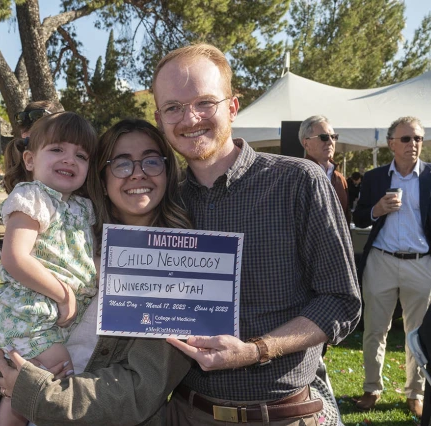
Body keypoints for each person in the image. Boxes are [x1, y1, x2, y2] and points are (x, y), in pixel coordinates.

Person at [152, 44, 360, 426]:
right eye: (173, 107)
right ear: (159, 118)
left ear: (232, 108)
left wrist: (255, 350)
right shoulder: (162, 201)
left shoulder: (298, 182)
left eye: (204, 102)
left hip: (282, 414)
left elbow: (341, 301)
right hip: (185, 412)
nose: (190, 118)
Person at [0, 118, 192, 425]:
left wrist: (36, 391)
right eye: (121, 163)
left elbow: (141, 390)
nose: (138, 173)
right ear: (102, 177)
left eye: (151, 161)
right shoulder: (72, 231)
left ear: (168, 171)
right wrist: (10, 366)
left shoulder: (177, 265)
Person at [353, 116, 430, 418]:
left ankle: (415, 393)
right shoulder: (374, 178)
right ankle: (372, 388)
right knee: (375, 329)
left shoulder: (430, 177)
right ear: (391, 144)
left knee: (418, 333)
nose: (414, 144)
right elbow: (359, 218)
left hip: (421, 262)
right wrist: (376, 209)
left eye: (419, 139)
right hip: (381, 260)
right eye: (407, 139)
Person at [299, 115, 351, 224]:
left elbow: (346, 220)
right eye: (324, 137)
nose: (330, 141)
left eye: (333, 137)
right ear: (306, 143)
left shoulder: (340, 179)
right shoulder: (297, 176)